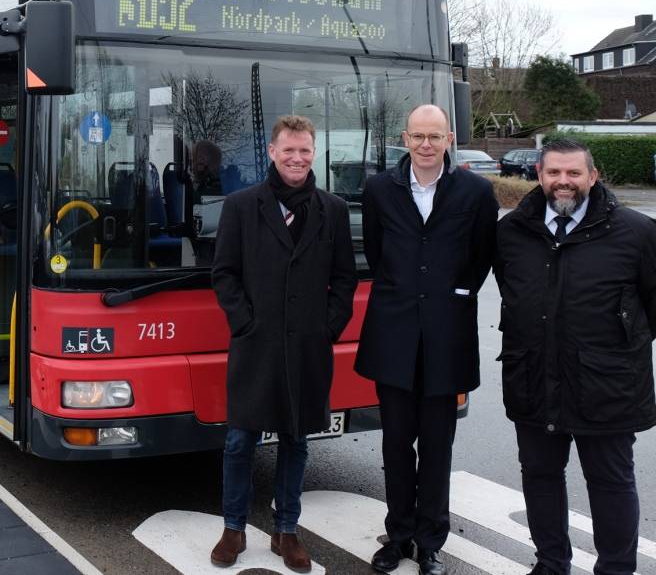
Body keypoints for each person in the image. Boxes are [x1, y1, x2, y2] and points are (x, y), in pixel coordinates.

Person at [494, 139, 656, 575]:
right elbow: (512, 293)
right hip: (532, 378)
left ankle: (617, 569)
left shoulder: (637, 232)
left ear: (592, 177)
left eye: (573, 174)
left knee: (611, 482)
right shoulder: (512, 232)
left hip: (608, 386)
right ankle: (551, 564)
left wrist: (612, 352)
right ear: (539, 176)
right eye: (553, 174)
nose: (563, 182)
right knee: (540, 478)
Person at [210, 115, 356, 571]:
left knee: (297, 442)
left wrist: (328, 327)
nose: (297, 158)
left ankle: (286, 530)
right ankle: (233, 528)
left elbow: (344, 279)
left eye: (305, 151)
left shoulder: (332, 209)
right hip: (256, 345)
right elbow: (224, 274)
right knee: (239, 442)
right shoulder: (240, 206)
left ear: (315, 153)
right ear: (272, 152)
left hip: (308, 348)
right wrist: (244, 323)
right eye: (288, 150)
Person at [356, 104, 497, 575]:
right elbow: (377, 254)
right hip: (393, 336)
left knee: (438, 447)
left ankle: (431, 540)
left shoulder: (475, 191)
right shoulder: (379, 189)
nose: (426, 145)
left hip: (446, 337)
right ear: (405, 138)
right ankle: (397, 536)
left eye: (435, 137)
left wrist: (451, 294)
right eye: (418, 136)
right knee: (396, 444)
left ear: (450, 140)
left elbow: (480, 259)